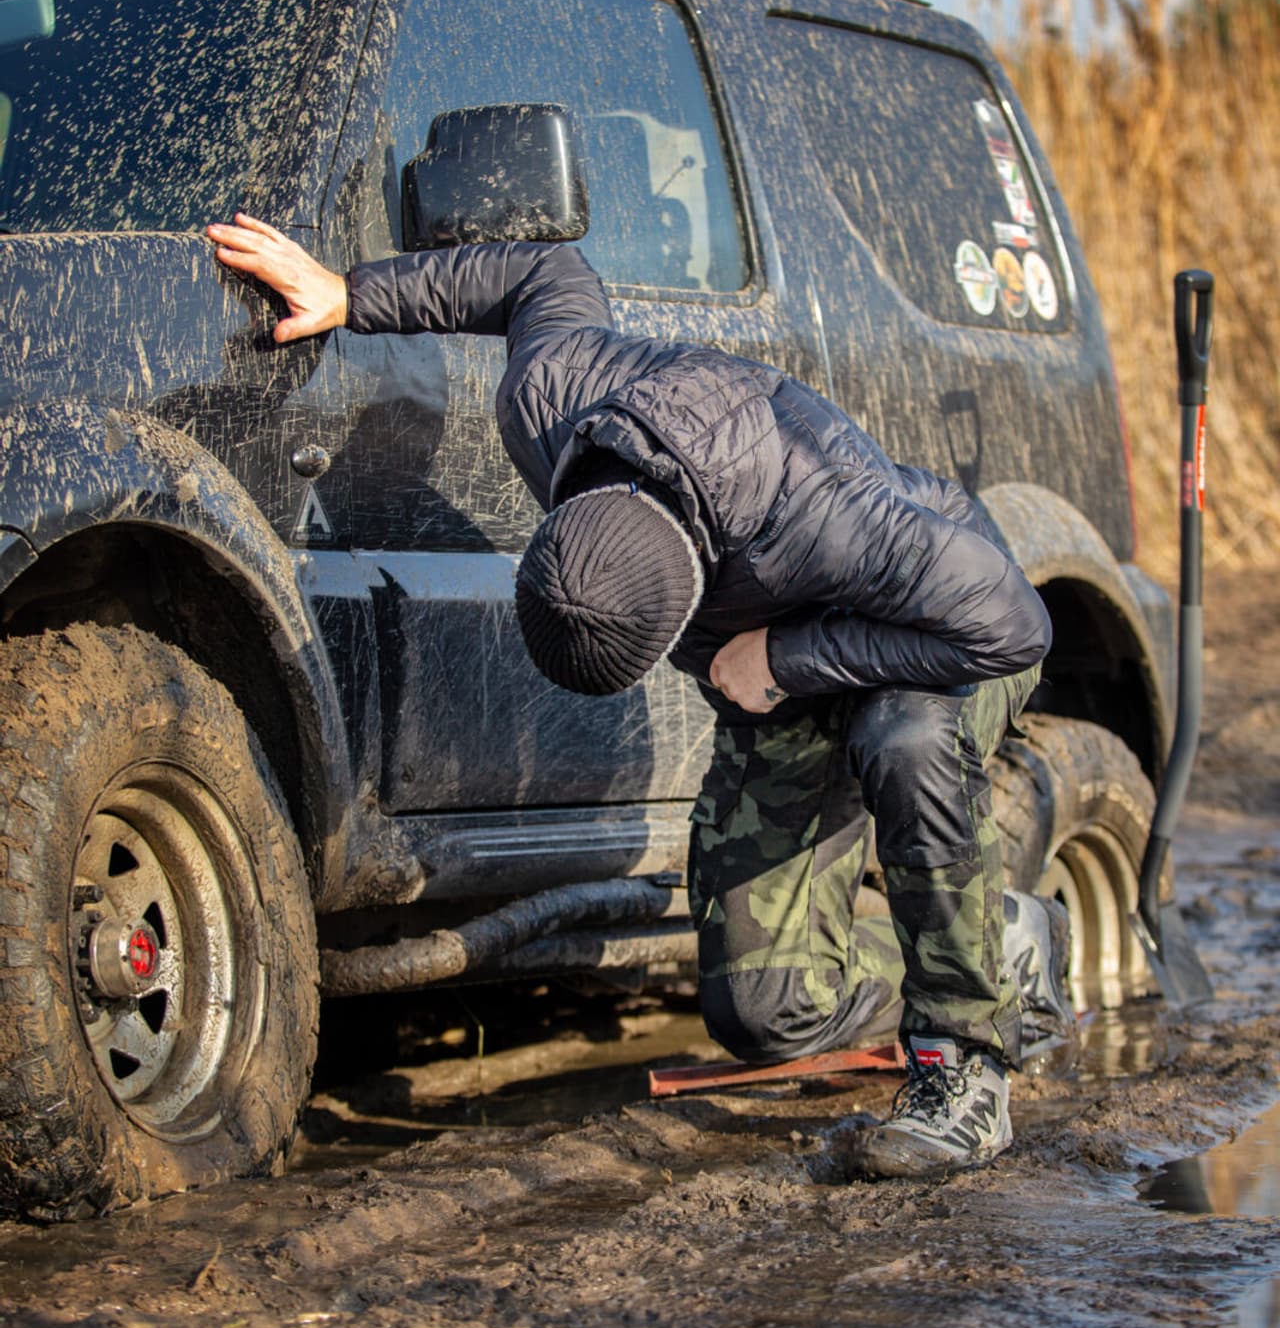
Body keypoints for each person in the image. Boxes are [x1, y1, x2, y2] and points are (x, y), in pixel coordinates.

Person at [206, 213, 1073, 1178]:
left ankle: (965, 1066)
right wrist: (351, 295)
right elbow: (541, 270)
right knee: (763, 1007)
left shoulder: (826, 513)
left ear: (694, 597)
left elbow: (1013, 625)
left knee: (902, 736)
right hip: (771, 657)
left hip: (937, 629)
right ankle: (994, 941)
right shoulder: (551, 403)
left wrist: (780, 658)